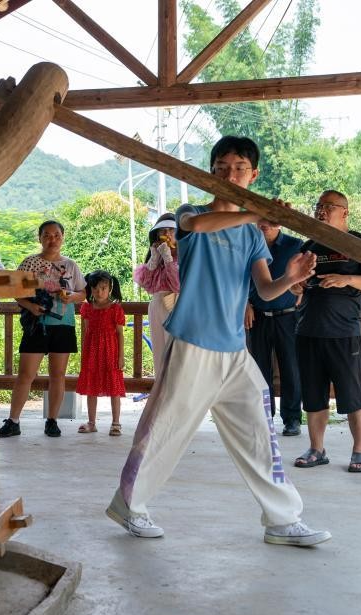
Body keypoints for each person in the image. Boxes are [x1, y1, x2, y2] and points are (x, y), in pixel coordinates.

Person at [106, 135, 331, 547]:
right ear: (210, 173)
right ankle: (129, 504)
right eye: (222, 168)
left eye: (240, 169)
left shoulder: (251, 236)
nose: (230, 175)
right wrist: (254, 213)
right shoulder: (190, 214)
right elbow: (196, 226)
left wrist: (292, 278)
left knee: (259, 433)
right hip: (192, 344)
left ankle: (282, 519)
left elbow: (264, 290)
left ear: (254, 174)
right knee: (165, 430)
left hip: (234, 350)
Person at [292, 190, 361, 474]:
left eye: (328, 206)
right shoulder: (310, 246)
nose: (321, 210)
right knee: (313, 396)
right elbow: (295, 285)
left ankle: (360, 452)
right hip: (308, 330)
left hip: (344, 333)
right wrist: (295, 285)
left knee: (353, 395)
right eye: (318, 205)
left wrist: (347, 279)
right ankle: (316, 449)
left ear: (344, 212)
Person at [0, 221, 86, 438]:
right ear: (40, 238)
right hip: (36, 324)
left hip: (63, 324)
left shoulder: (71, 265)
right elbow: (15, 291)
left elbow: (83, 294)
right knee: (25, 374)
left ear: (63, 237)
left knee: (58, 374)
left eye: (56, 235)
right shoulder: (29, 263)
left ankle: (52, 420)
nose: (52, 239)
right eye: (47, 235)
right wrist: (30, 306)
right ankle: (14, 420)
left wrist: (71, 296)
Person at [245, 218, 304, 437]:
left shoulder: (295, 245)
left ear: (279, 222)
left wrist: (304, 291)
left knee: (291, 367)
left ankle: (292, 419)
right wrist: (245, 303)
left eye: (270, 220)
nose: (265, 225)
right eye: (260, 220)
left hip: (288, 316)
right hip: (257, 315)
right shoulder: (249, 244)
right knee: (259, 369)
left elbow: (310, 272)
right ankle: (263, 417)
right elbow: (238, 277)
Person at [76, 271, 127, 436]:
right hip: (92, 352)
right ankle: (91, 423)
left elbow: (120, 333)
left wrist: (120, 356)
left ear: (110, 288)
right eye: (96, 288)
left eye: (104, 288)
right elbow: (86, 332)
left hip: (111, 351)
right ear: (90, 289)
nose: (100, 292)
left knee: (114, 388)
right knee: (91, 387)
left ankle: (116, 423)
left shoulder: (115, 309)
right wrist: (84, 354)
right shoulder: (87, 308)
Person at [133, 213, 180, 379]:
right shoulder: (157, 255)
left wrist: (168, 258)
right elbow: (145, 283)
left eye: (171, 230)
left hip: (175, 305)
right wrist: (154, 258)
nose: (167, 234)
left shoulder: (184, 256)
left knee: (176, 353)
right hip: (157, 305)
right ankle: (161, 390)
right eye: (162, 231)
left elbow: (176, 285)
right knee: (159, 352)